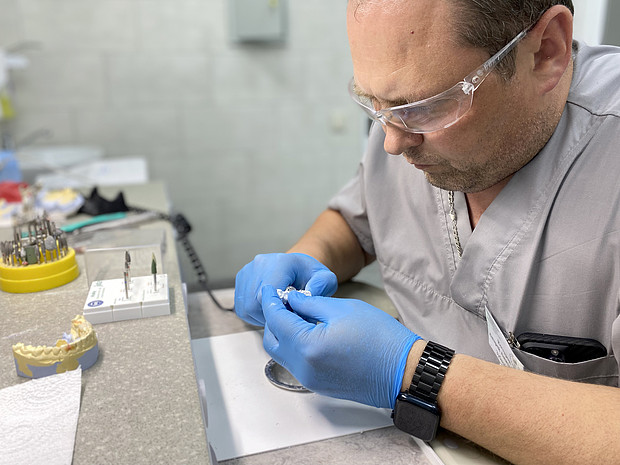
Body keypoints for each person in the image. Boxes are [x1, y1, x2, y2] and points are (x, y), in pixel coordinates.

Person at [234, 1, 620, 463]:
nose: (392, 143)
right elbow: (359, 221)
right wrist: (307, 257)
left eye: (427, 108)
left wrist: (414, 374)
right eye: (374, 104)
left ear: (545, 51)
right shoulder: (405, 124)